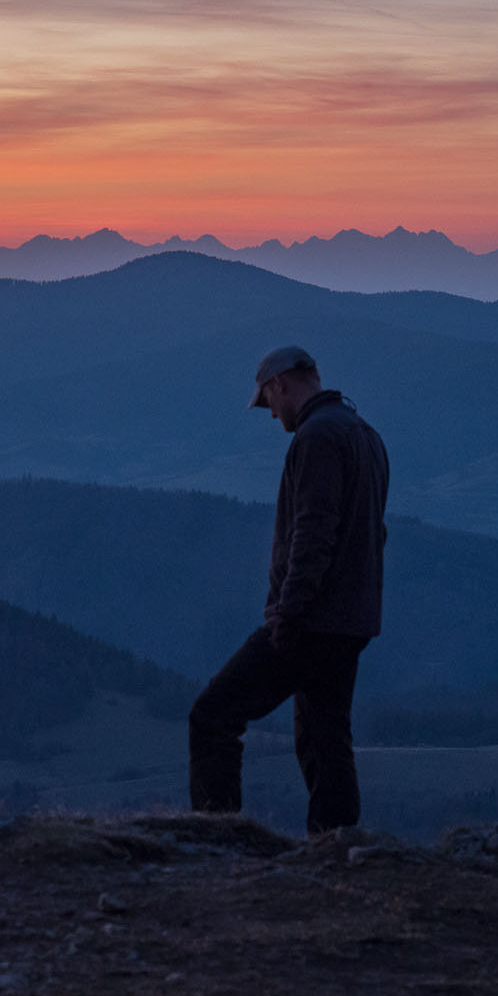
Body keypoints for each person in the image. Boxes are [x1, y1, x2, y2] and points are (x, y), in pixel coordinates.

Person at [188, 344, 389, 833]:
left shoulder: (316, 439)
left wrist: (288, 612)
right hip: (352, 618)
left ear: (279, 384)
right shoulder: (365, 435)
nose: (270, 413)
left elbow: (313, 533)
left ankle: (218, 837)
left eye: (267, 402)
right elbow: (373, 531)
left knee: (213, 715)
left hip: (313, 618)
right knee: (325, 734)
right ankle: (337, 847)